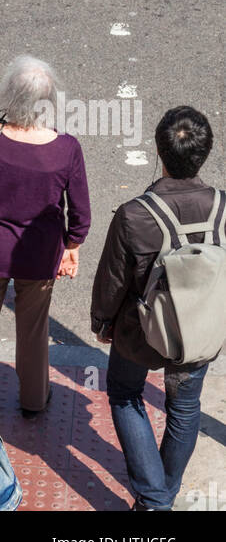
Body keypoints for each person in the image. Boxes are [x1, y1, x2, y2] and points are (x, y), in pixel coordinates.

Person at [91, 106, 223, 512]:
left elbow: (112, 281)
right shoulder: (223, 206)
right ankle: (160, 494)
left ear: (159, 151)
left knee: (125, 393)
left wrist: (103, 323)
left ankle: (153, 498)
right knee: (184, 406)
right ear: (205, 153)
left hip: (140, 332)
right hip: (200, 329)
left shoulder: (135, 214)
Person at [0, 56, 91, 418]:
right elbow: (80, 212)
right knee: (33, 331)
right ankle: (33, 399)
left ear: (9, 95)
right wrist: (72, 246)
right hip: (39, 255)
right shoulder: (67, 149)